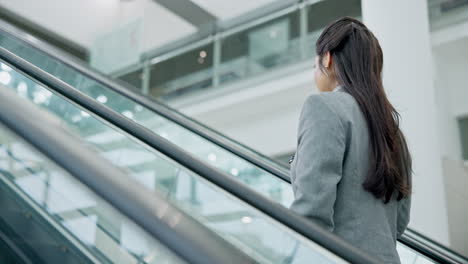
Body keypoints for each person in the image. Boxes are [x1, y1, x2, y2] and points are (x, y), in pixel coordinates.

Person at [289, 17, 412, 264]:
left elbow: (311, 212)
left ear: (327, 58)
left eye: (315, 63)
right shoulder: (392, 130)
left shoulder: (322, 107)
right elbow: (399, 221)